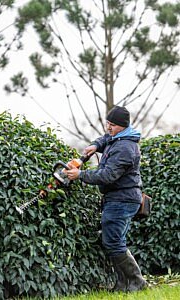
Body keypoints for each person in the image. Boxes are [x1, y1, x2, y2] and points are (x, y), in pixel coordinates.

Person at [66, 105, 148, 292]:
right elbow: (106, 139)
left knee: (113, 241)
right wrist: (96, 145)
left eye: (112, 124)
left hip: (123, 199)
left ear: (122, 126)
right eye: (107, 123)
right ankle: (123, 283)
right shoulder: (119, 137)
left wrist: (80, 175)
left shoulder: (126, 148)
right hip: (118, 198)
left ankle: (137, 281)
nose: (108, 127)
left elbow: (108, 175)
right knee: (114, 240)